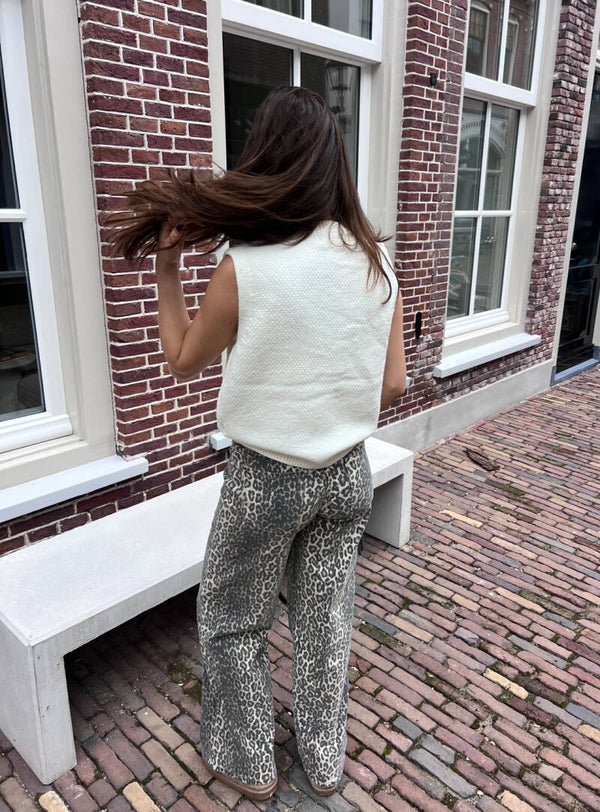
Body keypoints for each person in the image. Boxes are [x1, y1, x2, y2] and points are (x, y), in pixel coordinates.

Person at [108, 86, 406, 802]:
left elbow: (182, 359)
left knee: (234, 620)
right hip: (349, 473)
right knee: (326, 622)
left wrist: (168, 266)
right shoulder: (375, 261)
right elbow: (393, 384)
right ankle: (324, 761)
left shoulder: (246, 267)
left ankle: (248, 763)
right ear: (334, 165)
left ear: (264, 159)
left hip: (265, 479)